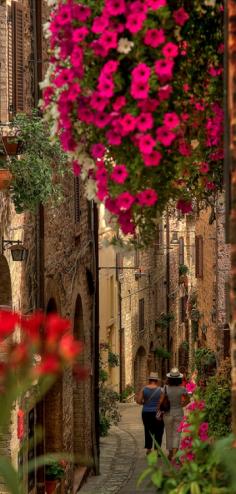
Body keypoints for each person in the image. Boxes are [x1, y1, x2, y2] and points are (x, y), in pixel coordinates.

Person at [159, 367, 189, 461]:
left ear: (170, 378)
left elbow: (161, 401)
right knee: (177, 433)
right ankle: (175, 454)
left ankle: (170, 453)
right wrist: (183, 404)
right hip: (179, 412)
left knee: (169, 433)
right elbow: (188, 399)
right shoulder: (182, 389)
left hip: (167, 413)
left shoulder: (165, 388)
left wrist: (158, 410)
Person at [135, 372, 164, 455]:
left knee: (148, 430)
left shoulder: (144, 389)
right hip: (157, 413)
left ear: (149, 380)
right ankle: (157, 450)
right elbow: (161, 402)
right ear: (156, 381)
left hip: (146, 412)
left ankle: (148, 449)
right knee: (159, 431)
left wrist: (144, 403)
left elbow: (139, 401)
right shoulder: (161, 390)